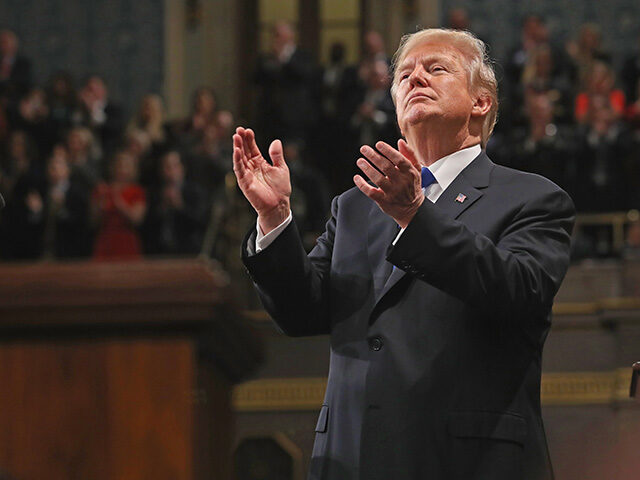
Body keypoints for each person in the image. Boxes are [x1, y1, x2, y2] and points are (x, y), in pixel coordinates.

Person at [234, 28, 574, 480]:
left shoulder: (532, 198)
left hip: (466, 460)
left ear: (481, 102)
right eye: (404, 76)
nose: (415, 79)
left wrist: (416, 217)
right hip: (352, 457)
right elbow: (302, 312)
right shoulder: (356, 204)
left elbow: (518, 289)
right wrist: (276, 218)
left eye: (436, 69)